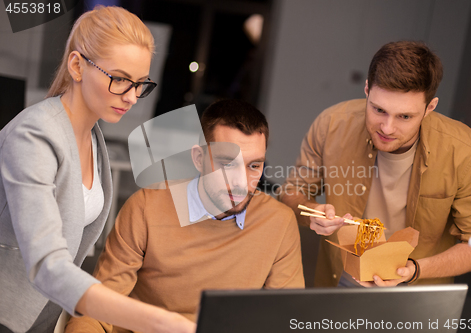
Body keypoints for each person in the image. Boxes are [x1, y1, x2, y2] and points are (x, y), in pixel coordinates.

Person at [0, 6, 194, 333]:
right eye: (119, 80)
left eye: (140, 84)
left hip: (40, 317)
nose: (132, 97)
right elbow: (48, 264)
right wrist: (157, 319)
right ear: (77, 66)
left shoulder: (92, 136)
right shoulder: (33, 136)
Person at [64, 99, 305, 332]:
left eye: (254, 166)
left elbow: (288, 319)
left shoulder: (279, 223)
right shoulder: (146, 207)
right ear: (199, 158)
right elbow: (97, 309)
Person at [279, 41, 471, 287]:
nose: (387, 128)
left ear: (430, 108)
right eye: (378, 109)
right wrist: (311, 213)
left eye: (405, 116)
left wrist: (413, 270)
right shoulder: (331, 125)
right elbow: (291, 193)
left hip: (418, 285)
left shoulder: (467, 153)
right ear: (366, 90)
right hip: (342, 274)